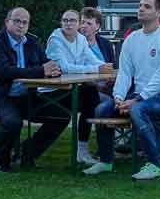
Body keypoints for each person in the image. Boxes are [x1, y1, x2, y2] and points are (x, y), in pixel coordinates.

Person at [86, 0, 160, 181]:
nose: (140, 9)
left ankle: (155, 165)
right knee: (102, 109)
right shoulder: (132, 39)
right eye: (140, 5)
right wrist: (118, 97)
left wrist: (137, 99)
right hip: (139, 96)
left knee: (138, 110)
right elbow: (125, 73)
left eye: (147, 6)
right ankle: (106, 160)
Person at [0, 7, 66, 172]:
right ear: (7, 22)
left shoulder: (32, 42)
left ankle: (26, 153)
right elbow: (4, 71)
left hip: (26, 96)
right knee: (12, 122)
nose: (21, 25)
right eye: (17, 21)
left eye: (25, 22)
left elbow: (44, 62)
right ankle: (1, 160)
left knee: (61, 116)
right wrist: (41, 70)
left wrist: (54, 69)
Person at [45, 9, 114, 165]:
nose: (68, 24)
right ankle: (83, 150)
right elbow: (65, 68)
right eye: (65, 20)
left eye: (73, 21)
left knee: (91, 95)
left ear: (78, 24)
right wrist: (98, 69)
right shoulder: (55, 40)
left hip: (72, 88)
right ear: (61, 23)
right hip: (53, 90)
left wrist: (105, 66)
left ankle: (82, 150)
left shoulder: (81, 39)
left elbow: (91, 60)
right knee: (91, 95)